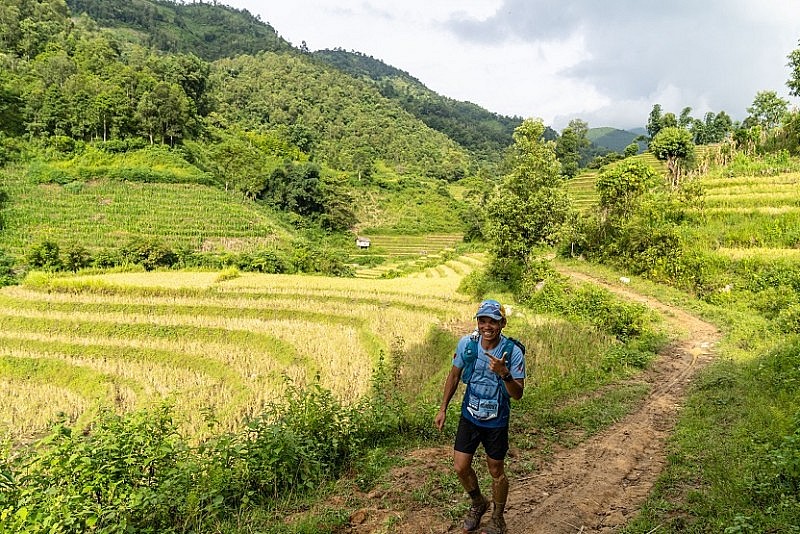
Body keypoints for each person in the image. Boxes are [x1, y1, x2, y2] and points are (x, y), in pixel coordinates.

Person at [435, 299, 526, 534]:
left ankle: (497, 517)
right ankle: (478, 503)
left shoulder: (512, 352)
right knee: (460, 466)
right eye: (482, 320)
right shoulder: (468, 344)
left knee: (496, 470)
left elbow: (517, 395)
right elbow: (454, 376)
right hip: (470, 414)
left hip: (497, 419)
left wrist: (504, 373)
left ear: (502, 323)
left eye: (493, 321)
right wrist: (443, 408)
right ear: (477, 322)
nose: (487, 326)